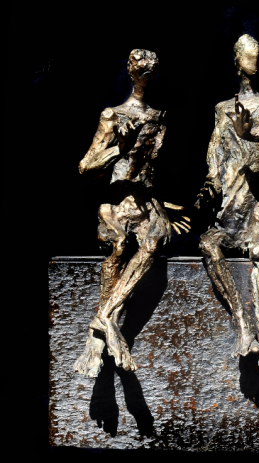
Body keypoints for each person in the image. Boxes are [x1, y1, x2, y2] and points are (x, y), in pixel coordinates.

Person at [74, 49, 190, 377]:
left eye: (151, 71)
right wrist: (119, 148)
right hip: (117, 200)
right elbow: (86, 166)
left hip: (146, 203)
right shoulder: (113, 115)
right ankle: (98, 338)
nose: (147, 76)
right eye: (142, 70)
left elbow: (147, 171)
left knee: (156, 239)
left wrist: (161, 205)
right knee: (118, 245)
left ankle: (104, 319)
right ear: (130, 72)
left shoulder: (159, 117)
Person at [195, 34, 259, 367]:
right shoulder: (223, 109)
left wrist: (251, 134)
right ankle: (241, 323)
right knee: (208, 243)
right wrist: (209, 184)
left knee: (258, 253)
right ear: (238, 60)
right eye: (250, 55)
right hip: (229, 204)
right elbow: (216, 150)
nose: (256, 61)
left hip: (256, 202)